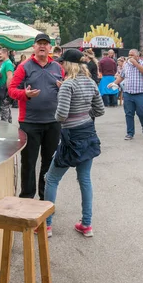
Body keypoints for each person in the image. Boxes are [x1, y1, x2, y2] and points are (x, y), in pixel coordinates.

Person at [43, 49, 104, 238]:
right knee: (84, 179)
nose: (60, 65)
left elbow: (61, 115)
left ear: (68, 65)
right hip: (88, 133)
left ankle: (46, 225)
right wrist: (85, 115)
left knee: (51, 178)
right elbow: (99, 110)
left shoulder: (68, 85)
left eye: (62, 63)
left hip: (71, 137)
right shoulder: (90, 82)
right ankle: (86, 224)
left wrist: (70, 116)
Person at [8, 33, 64, 200]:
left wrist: (64, 88)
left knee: (49, 163)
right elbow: (12, 90)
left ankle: (45, 198)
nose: (42, 46)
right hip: (30, 122)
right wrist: (25, 94)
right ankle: (26, 198)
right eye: (39, 43)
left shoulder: (57, 67)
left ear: (50, 48)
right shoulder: (24, 66)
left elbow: (66, 88)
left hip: (53, 122)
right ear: (34, 46)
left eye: (45, 44)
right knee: (29, 163)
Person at [111, 49, 143, 140]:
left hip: (141, 93)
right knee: (129, 113)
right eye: (129, 55)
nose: (130, 57)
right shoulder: (126, 65)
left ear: (137, 56)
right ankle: (130, 133)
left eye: (132, 55)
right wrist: (114, 83)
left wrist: (135, 64)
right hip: (128, 93)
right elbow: (121, 76)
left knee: (142, 112)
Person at [0, 47, 14, 123]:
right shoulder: (4, 63)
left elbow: (10, 77)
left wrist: (8, 92)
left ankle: (6, 126)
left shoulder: (8, 63)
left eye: (0, 54)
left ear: (5, 53)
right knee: (5, 109)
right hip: (1, 89)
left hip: (4, 90)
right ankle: (8, 123)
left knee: (4, 110)